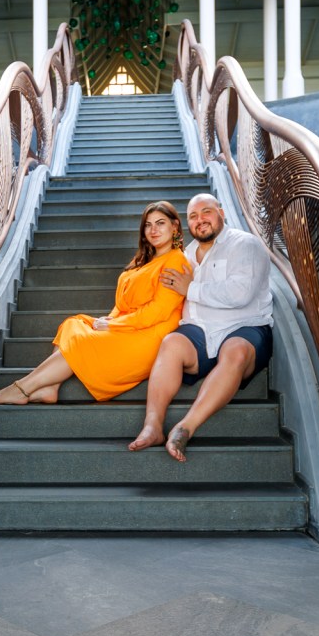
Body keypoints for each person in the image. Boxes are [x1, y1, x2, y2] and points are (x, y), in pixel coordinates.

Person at [0, 201, 191, 404]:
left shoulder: (175, 261)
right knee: (72, 324)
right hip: (129, 326)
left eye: (160, 223)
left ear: (174, 226)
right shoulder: (143, 260)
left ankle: (22, 388)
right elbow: (122, 303)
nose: (153, 230)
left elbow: (157, 311)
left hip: (149, 336)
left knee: (81, 341)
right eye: (148, 224)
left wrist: (113, 325)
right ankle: (50, 388)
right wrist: (109, 320)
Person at [127, 193, 273, 461]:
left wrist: (191, 288)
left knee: (236, 351)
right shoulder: (185, 255)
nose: (200, 219)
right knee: (171, 342)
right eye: (193, 216)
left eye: (206, 212)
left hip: (244, 326)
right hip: (200, 329)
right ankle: (152, 426)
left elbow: (240, 294)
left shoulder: (245, 244)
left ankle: (185, 428)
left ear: (221, 213)